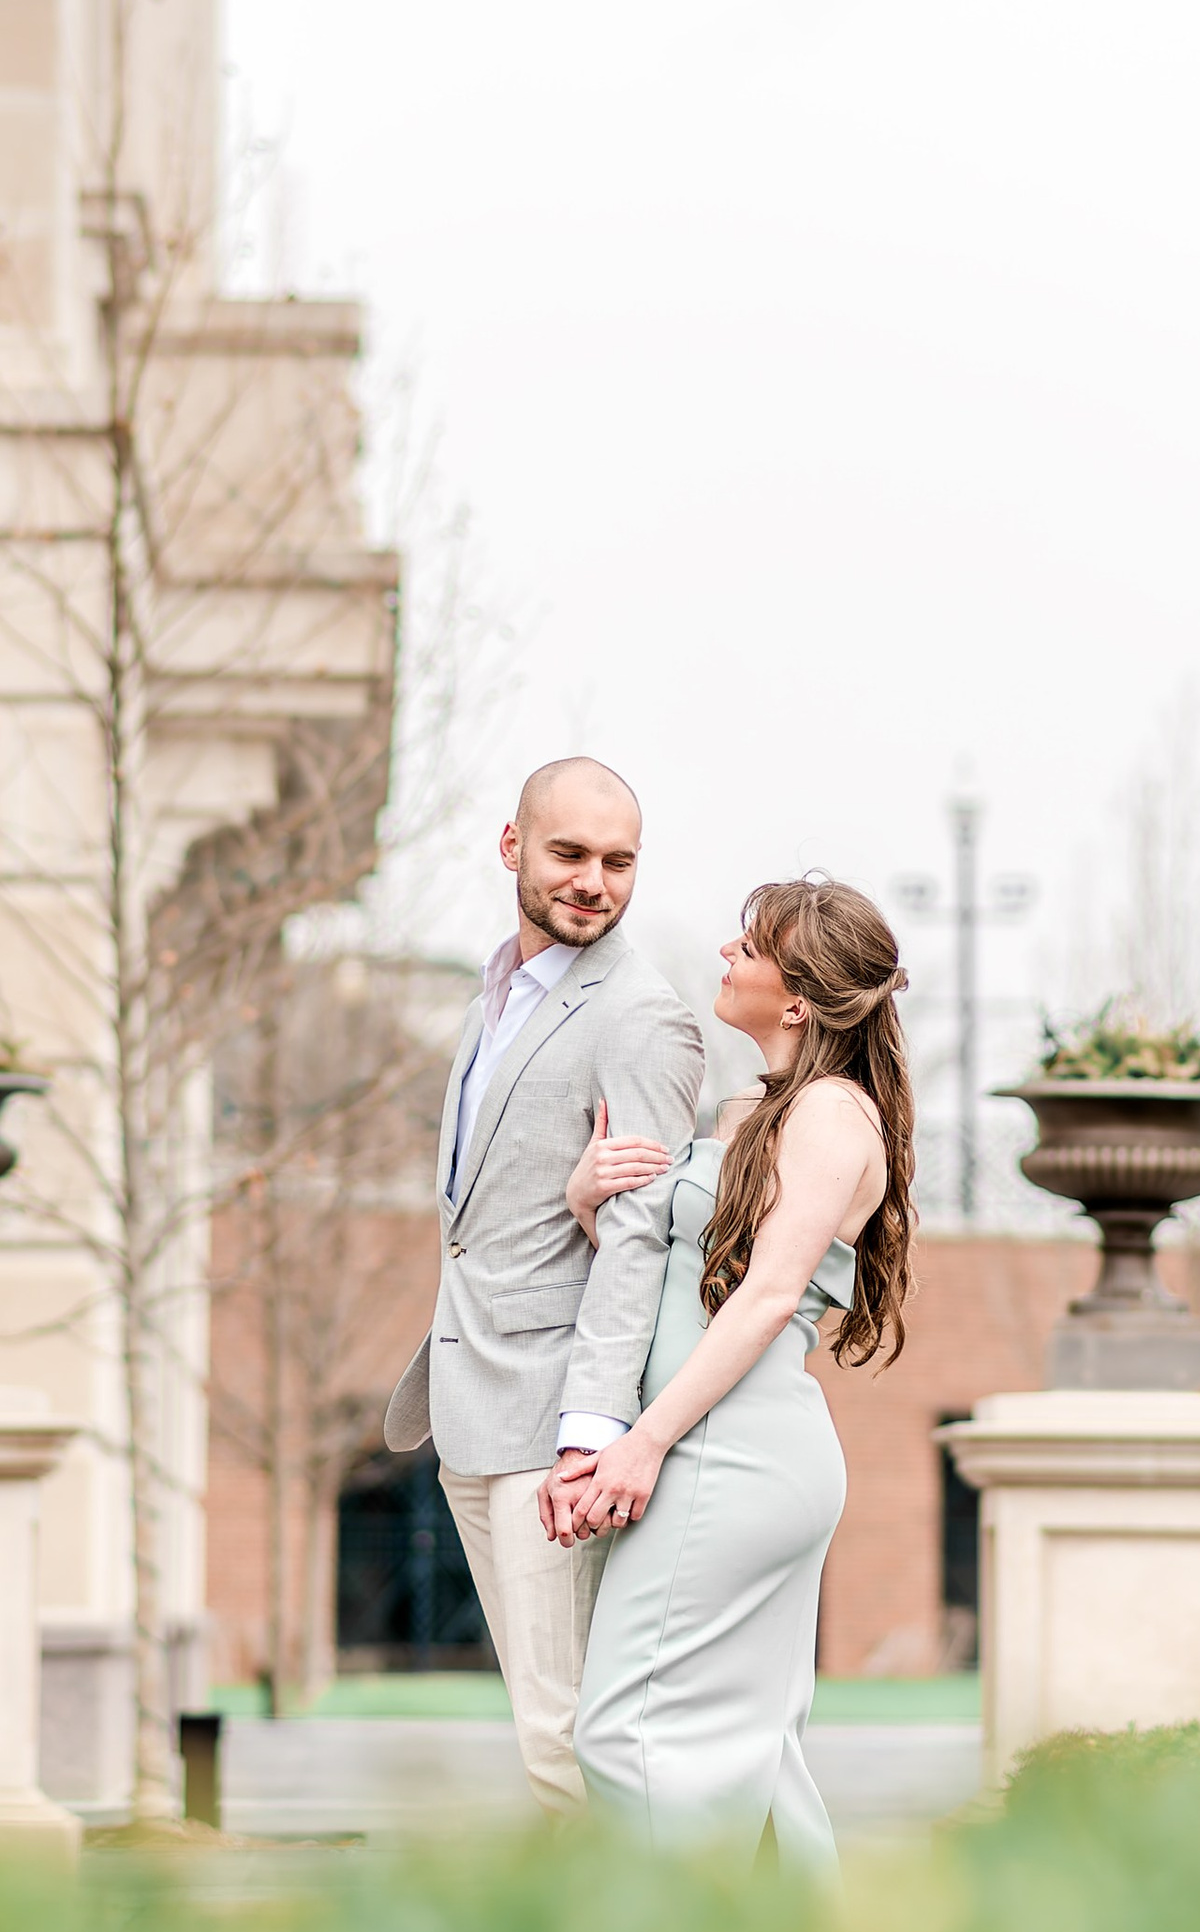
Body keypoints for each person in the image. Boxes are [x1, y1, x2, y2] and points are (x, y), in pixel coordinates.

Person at [546, 876, 915, 1872]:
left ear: (796, 995)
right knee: (755, 1751)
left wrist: (642, 1442)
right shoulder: (752, 1104)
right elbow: (685, 1278)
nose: (724, 953)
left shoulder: (833, 1116)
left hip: (728, 1456)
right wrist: (590, 1204)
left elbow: (763, 1298)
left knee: (622, 1732)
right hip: (716, 1446)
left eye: (748, 946)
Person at [382, 757, 702, 1811]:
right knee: (546, 1727)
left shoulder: (639, 1015)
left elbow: (640, 1238)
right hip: (474, 1412)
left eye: (618, 862)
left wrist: (588, 1434)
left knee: (569, 1740)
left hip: (554, 1431)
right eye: (569, 853)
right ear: (513, 845)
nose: (593, 882)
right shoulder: (496, 999)